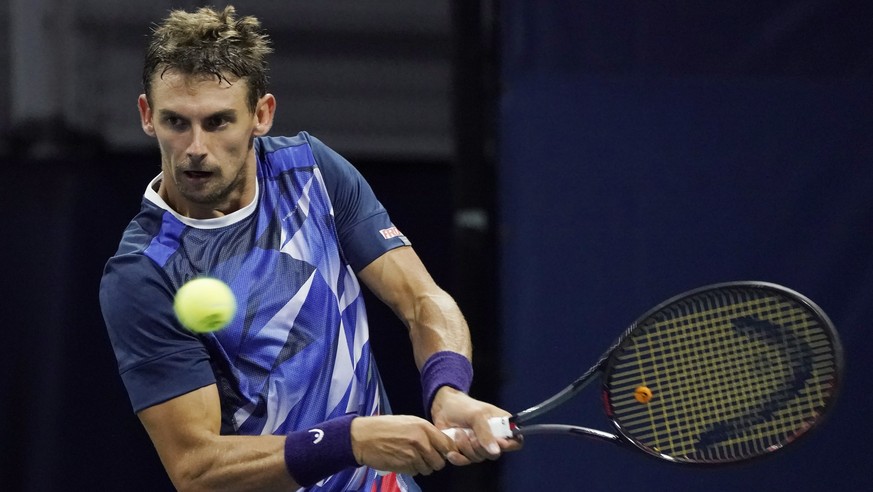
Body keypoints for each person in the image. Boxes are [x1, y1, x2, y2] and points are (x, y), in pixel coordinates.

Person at [98, 5, 518, 491]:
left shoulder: (310, 171)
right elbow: (197, 468)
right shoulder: (143, 273)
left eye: (217, 122)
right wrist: (350, 441)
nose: (195, 147)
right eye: (176, 122)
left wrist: (448, 390)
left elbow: (423, 301)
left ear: (261, 114)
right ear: (147, 116)